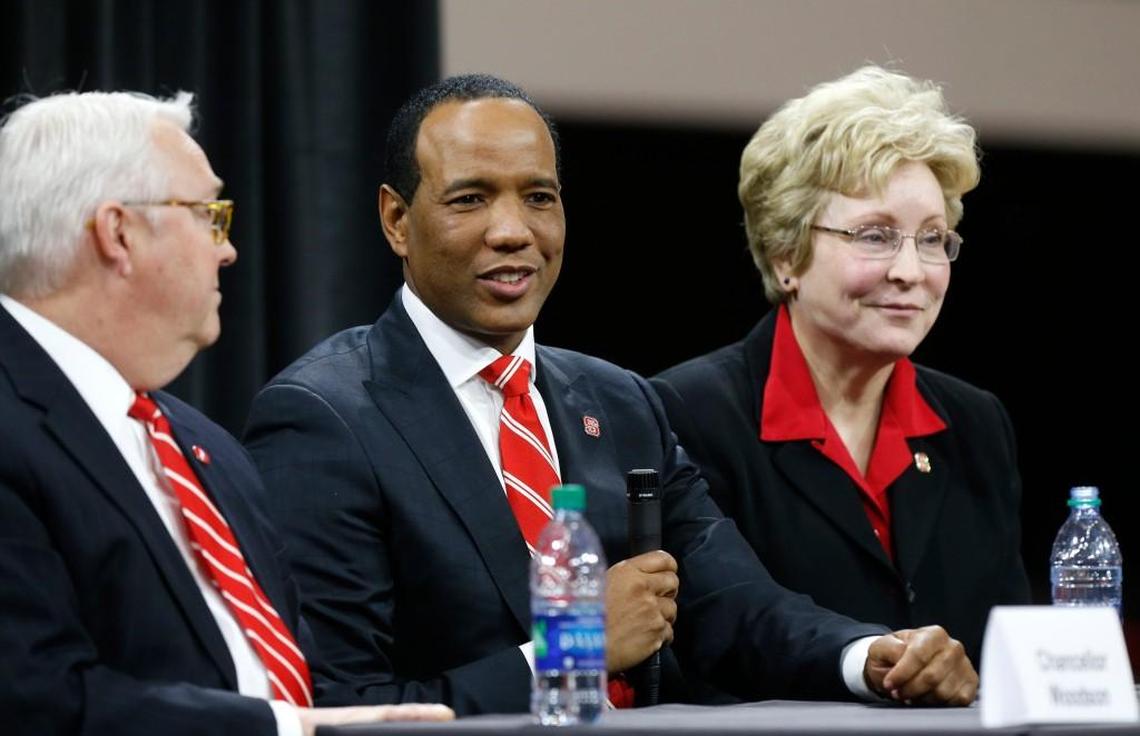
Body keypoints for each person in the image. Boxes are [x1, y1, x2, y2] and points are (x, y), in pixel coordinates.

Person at [242, 74, 978, 717]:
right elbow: (338, 707)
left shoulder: (619, 402)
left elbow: (735, 603)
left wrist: (871, 656)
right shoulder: (324, 418)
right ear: (397, 220)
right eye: (470, 199)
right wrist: (574, 648)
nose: (512, 230)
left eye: (539, 197)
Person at [0, 91, 453, 735]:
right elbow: (34, 700)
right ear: (118, 232)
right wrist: (287, 730)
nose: (228, 250)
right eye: (209, 215)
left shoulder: (205, 450)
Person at [651, 66, 1031, 666]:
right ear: (786, 256)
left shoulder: (975, 423)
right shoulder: (685, 413)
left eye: (933, 238)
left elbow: (1009, 654)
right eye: (876, 236)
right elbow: (716, 636)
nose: (910, 271)